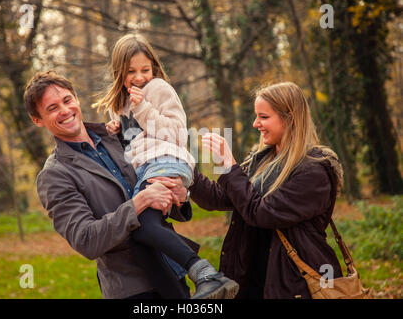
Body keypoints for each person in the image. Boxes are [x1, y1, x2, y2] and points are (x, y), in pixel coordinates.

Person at [24, 69, 197, 299]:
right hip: (132, 288)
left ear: (76, 99)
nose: (65, 110)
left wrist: (180, 195)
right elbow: (86, 240)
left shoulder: (119, 136)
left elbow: (156, 181)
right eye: (52, 108)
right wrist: (140, 201)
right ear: (38, 120)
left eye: (67, 100)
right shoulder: (55, 176)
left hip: (172, 271)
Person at [96, 33, 238, 299]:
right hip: (146, 169)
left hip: (166, 161)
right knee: (142, 232)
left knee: (144, 225)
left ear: (154, 68)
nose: (139, 77)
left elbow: (177, 134)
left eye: (145, 69)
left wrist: (145, 108)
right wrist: (115, 134)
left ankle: (207, 275)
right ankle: (191, 286)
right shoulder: (118, 105)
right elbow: (132, 150)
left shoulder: (159, 89)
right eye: (131, 72)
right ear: (119, 72)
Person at [191, 82, 344, 298]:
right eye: (256, 116)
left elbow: (262, 213)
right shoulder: (261, 160)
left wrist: (230, 167)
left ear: (289, 117)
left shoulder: (313, 171)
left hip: (294, 284)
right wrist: (186, 170)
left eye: (264, 117)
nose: (256, 124)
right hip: (253, 278)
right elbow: (219, 197)